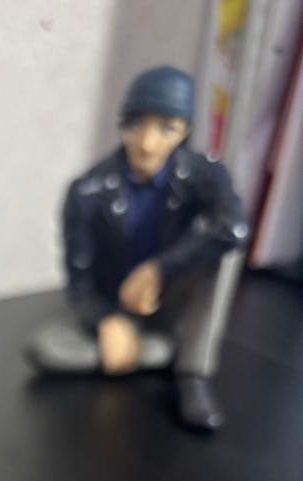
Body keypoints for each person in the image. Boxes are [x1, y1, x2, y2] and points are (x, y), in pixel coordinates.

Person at [24, 65, 249, 432]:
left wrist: (159, 268)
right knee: (48, 349)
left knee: (224, 257)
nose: (147, 143)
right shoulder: (87, 191)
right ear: (123, 125)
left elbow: (234, 228)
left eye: (166, 129)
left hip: (168, 298)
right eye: (137, 125)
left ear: (185, 131)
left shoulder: (204, 174)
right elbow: (79, 281)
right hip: (117, 303)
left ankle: (192, 370)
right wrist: (106, 321)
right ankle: (152, 352)